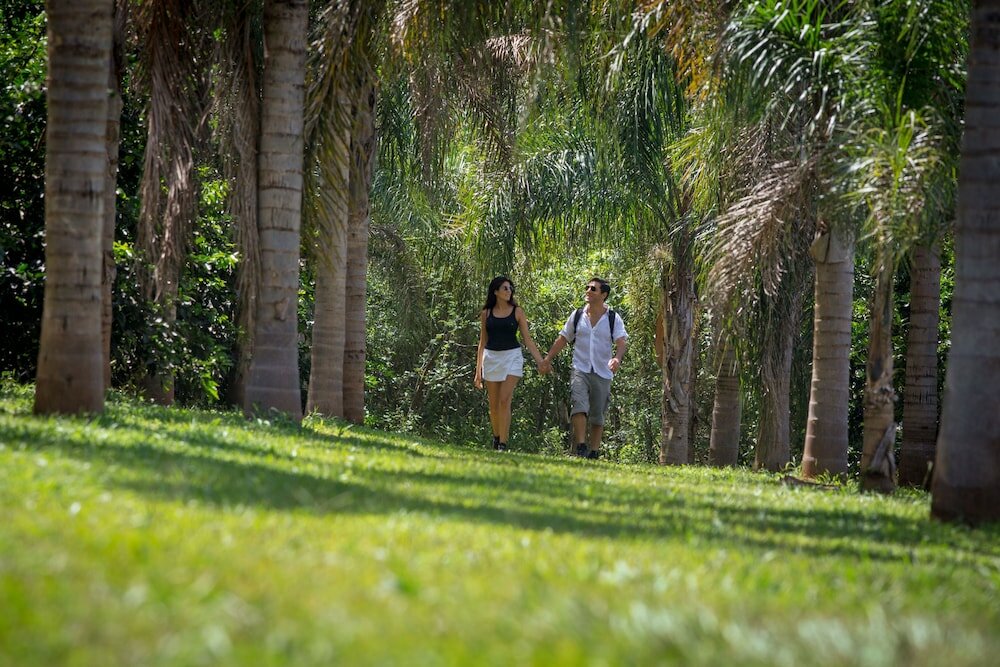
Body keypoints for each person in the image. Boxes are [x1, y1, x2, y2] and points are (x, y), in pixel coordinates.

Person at [542, 277, 627, 459]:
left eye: (593, 289)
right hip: (580, 368)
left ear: (603, 295)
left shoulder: (613, 318)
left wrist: (617, 359)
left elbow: (621, 342)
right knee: (578, 404)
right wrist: (547, 358)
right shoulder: (577, 315)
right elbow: (564, 338)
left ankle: (594, 451)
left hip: (602, 371)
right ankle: (581, 445)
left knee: (597, 414)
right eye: (587, 287)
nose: (588, 291)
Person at [474, 276, 548, 451]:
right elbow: (482, 343)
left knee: (504, 399)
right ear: (496, 292)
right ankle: (496, 436)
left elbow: (527, 340)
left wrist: (541, 361)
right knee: (493, 404)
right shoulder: (486, 314)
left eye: (510, 288)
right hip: (491, 358)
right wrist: (478, 372)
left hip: (512, 357)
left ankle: (503, 444)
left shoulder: (517, 312)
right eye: (505, 288)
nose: (509, 291)